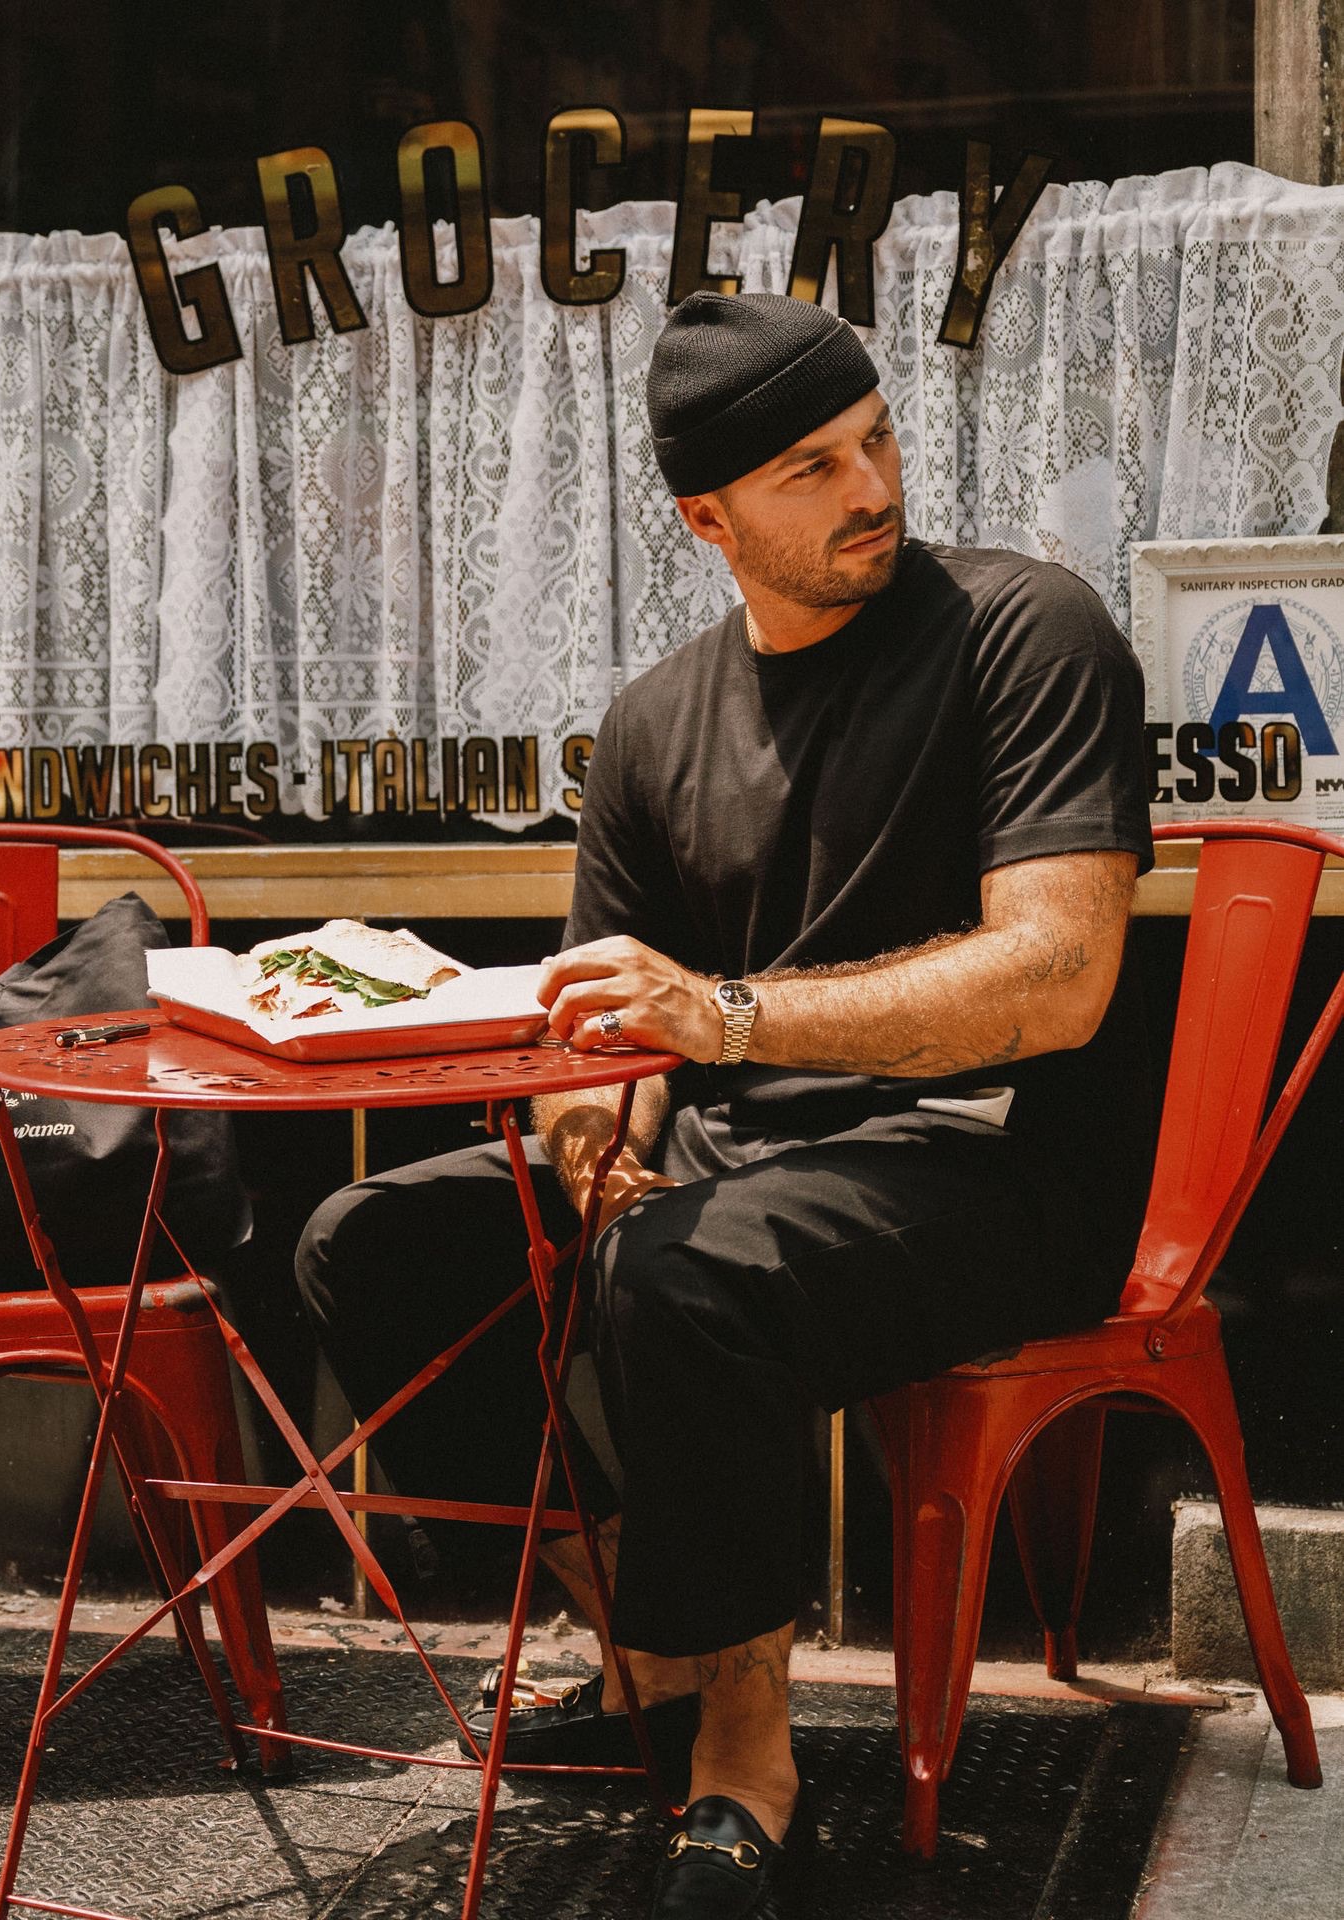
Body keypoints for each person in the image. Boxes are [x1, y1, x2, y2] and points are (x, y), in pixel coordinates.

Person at [296, 289, 1155, 1918]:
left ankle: (746, 1756)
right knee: (373, 1240)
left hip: (990, 1156)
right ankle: (647, 1643)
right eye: (812, 469)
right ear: (709, 519)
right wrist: (590, 1152)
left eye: (875, 440)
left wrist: (731, 1018)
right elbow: (603, 1040)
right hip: (733, 1158)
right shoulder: (653, 725)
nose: (871, 488)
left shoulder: (1025, 630)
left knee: (693, 1275)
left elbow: (1060, 977)